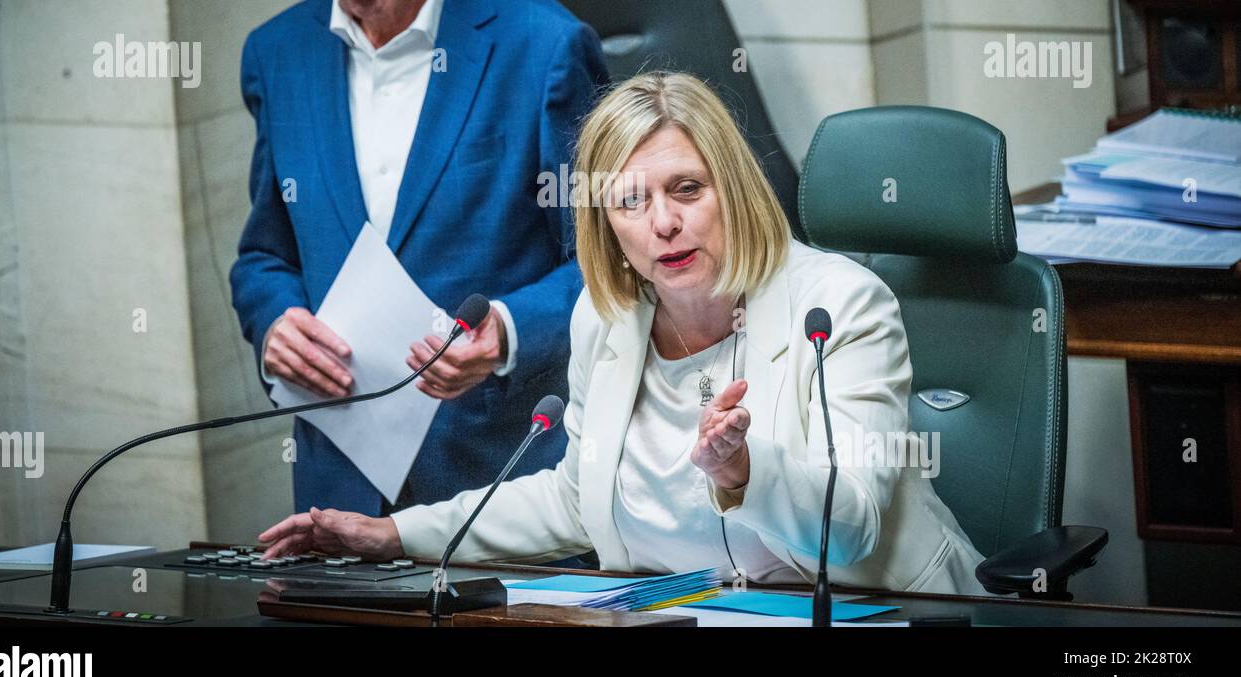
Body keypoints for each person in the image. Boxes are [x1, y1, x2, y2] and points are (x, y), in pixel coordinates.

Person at [259, 71, 990, 595]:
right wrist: (392, 537)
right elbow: (574, 500)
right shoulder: (607, 321)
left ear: (732, 190)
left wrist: (741, 471)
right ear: (605, 226)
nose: (663, 223)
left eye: (686, 190)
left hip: (887, 614)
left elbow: (849, 527)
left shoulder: (840, 309)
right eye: (630, 202)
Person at [230, 0, 605, 519]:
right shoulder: (276, 55)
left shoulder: (544, 47)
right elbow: (264, 253)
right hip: (339, 492)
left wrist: (508, 330)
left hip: (502, 484)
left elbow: (611, 264)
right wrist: (275, 319)